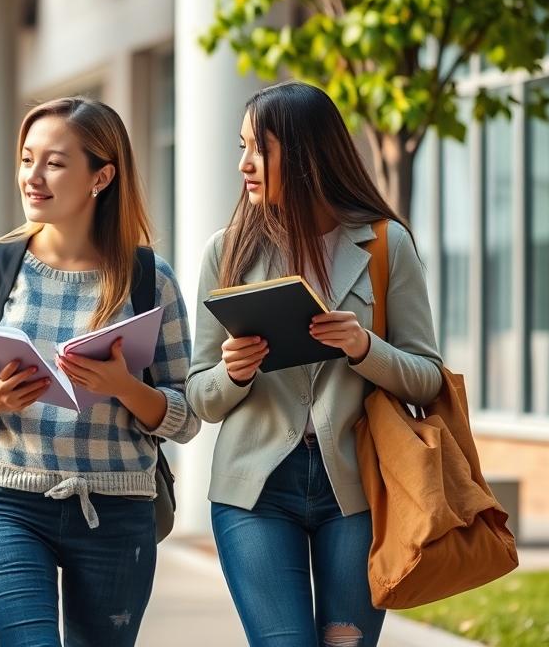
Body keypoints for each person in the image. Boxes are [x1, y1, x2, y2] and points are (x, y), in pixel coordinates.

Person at [0, 97, 200, 646]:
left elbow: (186, 417)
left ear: (102, 176)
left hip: (117, 507)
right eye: (26, 159)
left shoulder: (150, 278)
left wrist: (124, 387)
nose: (32, 177)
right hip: (9, 501)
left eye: (54, 163)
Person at [185, 81, 443, 646]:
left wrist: (364, 347)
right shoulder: (226, 250)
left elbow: (428, 379)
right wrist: (233, 372)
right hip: (253, 490)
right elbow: (199, 396)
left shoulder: (385, 245)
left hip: (358, 488)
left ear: (305, 154)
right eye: (241, 147)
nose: (244, 165)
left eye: (260, 149)